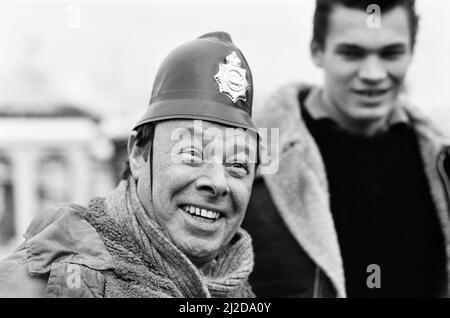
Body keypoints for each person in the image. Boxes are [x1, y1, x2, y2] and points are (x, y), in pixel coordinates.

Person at [0, 32, 259, 298]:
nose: (217, 182)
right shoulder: (42, 284)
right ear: (138, 154)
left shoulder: (240, 290)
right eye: (192, 153)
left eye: (238, 163)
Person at [243, 0, 450, 298]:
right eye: (352, 53)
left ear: (412, 51)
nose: (373, 73)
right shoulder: (251, 160)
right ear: (317, 50)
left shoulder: (442, 160)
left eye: (391, 53)